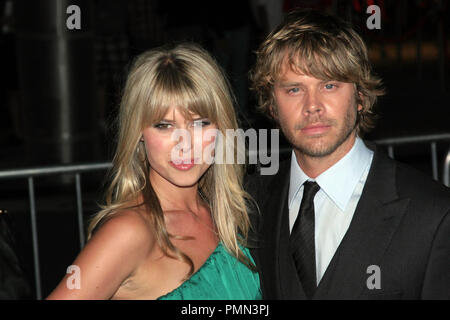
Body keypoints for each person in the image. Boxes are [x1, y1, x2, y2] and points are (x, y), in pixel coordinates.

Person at [247, 9, 450, 299]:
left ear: (360, 97)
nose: (312, 105)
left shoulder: (433, 216)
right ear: (271, 104)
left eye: (329, 85)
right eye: (294, 89)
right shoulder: (248, 206)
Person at [47, 43, 261, 300]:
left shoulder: (224, 212)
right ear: (139, 133)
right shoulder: (128, 231)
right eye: (164, 125)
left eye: (200, 123)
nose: (185, 143)